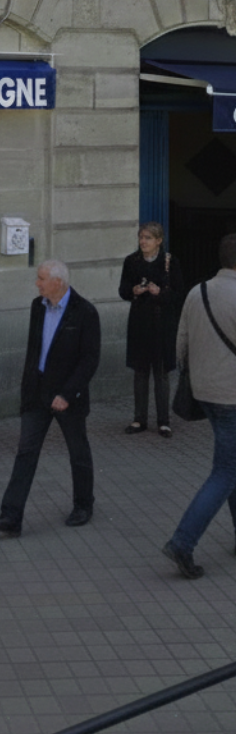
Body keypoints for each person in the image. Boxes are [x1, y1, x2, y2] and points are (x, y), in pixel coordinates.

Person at [0, 260, 101, 536]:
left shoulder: (85, 312)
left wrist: (67, 393)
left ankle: (84, 504)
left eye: (41, 279)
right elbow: (33, 351)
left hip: (67, 396)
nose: (37, 283)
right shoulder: (38, 307)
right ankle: (11, 517)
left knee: (78, 451)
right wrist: (27, 390)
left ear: (58, 282)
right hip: (38, 393)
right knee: (26, 452)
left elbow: (89, 360)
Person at [162, 234, 236, 579]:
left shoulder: (198, 291)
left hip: (205, 393)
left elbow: (181, 345)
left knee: (231, 463)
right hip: (233, 398)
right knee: (225, 471)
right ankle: (182, 543)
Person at [118, 222, 183, 437]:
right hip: (139, 323)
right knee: (140, 372)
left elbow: (178, 294)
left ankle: (163, 421)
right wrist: (135, 290)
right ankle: (139, 419)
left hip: (162, 324)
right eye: (141, 237)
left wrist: (159, 293)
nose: (143, 241)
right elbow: (123, 290)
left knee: (161, 373)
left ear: (158, 240)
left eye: (148, 238)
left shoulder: (169, 262)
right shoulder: (131, 261)